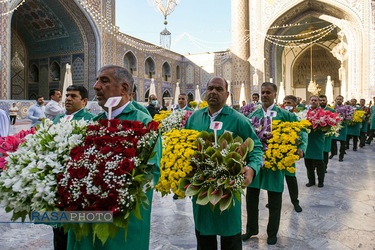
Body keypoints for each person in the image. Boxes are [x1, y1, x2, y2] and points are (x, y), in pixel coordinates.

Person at [67, 65, 160, 250]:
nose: (96, 86)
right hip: (88, 214)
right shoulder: (95, 121)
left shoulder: (143, 122)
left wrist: (113, 187)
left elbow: (151, 172)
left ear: (124, 89)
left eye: (104, 81)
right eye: (97, 80)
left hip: (121, 220)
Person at [184, 77, 263, 250]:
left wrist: (251, 168)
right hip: (201, 189)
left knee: (230, 238)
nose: (213, 92)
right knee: (204, 238)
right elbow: (183, 146)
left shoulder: (238, 120)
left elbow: (256, 148)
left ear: (227, 94)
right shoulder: (194, 118)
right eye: (210, 88)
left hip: (228, 189)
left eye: (219, 89)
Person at [244, 82, 305, 245]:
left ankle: (272, 232)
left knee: (275, 198)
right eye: (262, 92)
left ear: (275, 95)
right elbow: (245, 134)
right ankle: (251, 229)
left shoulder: (286, 115)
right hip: (256, 162)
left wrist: (301, 147)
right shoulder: (253, 115)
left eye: (268, 92)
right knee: (251, 197)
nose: (264, 95)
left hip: (275, 163)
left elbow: (302, 131)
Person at [52, 85, 94, 250]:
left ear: (84, 101)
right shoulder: (57, 119)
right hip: (55, 182)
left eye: (73, 96)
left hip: (76, 183)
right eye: (67, 95)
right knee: (58, 229)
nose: (68, 98)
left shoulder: (90, 120)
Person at [282, 95, 308, 212]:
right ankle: (272, 200)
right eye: (285, 103)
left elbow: (303, 133)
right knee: (275, 178)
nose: (287, 105)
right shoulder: (279, 114)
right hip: (277, 150)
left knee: (291, 178)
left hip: (290, 152)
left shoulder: (298, 117)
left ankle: (295, 201)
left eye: (289, 103)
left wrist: (301, 147)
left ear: (295, 105)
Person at [305, 95, 326, 187]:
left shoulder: (323, 113)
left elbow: (327, 126)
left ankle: (321, 181)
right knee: (308, 162)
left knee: (319, 162)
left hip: (318, 140)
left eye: (315, 100)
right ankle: (311, 180)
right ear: (309, 101)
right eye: (312, 100)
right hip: (308, 140)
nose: (313, 102)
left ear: (319, 102)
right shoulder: (305, 112)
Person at [319, 95, 336, 172]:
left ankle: (324, 167)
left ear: (326, 101)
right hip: (318, 135)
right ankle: (318, 167)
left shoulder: (331, 110)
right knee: (318, 152)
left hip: (327, 135)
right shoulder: (315, 110)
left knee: (325, 152)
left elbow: (336, 123)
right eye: (321, 100)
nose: (322, 102)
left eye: (323, 100)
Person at [330, 95, 348, 162]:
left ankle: (341, 156)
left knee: (343, 142)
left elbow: (348, 116)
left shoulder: (346, 108)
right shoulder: (332, 108)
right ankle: (333, 153)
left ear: (342, 100)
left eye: (340, 99)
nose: (339, 100)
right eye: (337, 99)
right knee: (333, 140)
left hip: (343, 127)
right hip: (334, 126)